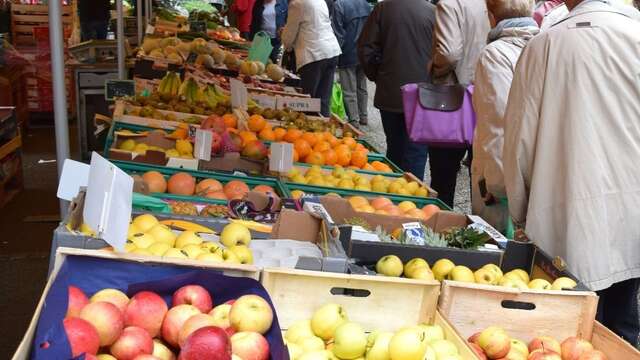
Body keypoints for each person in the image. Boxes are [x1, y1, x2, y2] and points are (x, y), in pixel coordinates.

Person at [502, 0, 640, 345]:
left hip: (563, 208)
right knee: (622, 324)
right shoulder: (635, 35)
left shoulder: (543, 46)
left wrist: (519, 211)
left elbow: (519, 138)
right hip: (632, 207)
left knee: (567, 330)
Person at [471, 0, 538, 233]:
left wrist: (497, 186)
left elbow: (498, 124)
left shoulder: (494, 55)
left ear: (491, 16)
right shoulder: (544, 46)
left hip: (503, 190)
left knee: (499, 258)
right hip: (536, 177)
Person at [357, 0, 436, 179]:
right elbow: (444, 53)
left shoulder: (383, 9)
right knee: (416, 153)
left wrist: (378, 75)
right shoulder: (434, 12)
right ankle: (412, 200)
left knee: (394, 149)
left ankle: (391, 195)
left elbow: (365, 48)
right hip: (422, 95)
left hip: (391, 91)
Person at [428, 0, 490, 207]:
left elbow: (448, 53)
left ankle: (441, 229)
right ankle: (478, 232)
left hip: (453, 97)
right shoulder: (493, 3)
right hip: (487, 94)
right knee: (482, 177)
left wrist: (434, 68)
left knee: (443, 177)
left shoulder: (450, 4)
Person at [281, 0, 341, 117]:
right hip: (331, 50)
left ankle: (308, 130)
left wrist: (284, 37)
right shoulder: (320, 1)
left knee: (308, 100)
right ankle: (324, 129)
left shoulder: (297, 4)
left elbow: (288, 37)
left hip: (313, 54)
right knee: (323, 99)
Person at [331, 0, 371, 127]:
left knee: (349, 88)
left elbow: (338, 33)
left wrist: (337, 53)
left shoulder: (339, 5)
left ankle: (354, 120)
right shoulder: (365, 4)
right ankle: (363, 116)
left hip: (348, 51)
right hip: (364, 51)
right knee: (361, 85)